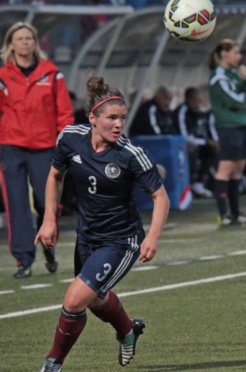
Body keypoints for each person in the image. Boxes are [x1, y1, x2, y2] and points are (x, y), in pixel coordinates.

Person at [37, 75, 170, 371]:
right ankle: (127, 331)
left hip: (121, 241)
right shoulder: (69, 138)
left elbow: (161, 198)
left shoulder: (131, 155)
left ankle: (53, 363)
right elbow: (55, 176)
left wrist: (152, 238)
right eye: (112, 118)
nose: (118, 125)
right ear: (92, 118)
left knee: (74, 301)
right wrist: (49, 219)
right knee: (96, 301)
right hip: (87, 238)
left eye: (122, 118)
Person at [0, 22, 74, 279]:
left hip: (45, 148)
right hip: (11, 147)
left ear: (35, 43)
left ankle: (48, 246)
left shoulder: (52, 74)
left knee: (47, 203)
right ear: (11, 44)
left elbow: (64, 113)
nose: (25, 42)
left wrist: (66, 144)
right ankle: (23, 260)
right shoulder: (2, 76)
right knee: (17, 203)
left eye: (29, 38)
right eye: (19, 38)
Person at [208, 38, 246, 226]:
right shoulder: (218, 77)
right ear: (224, 54)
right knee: (225, 170)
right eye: (236, 52)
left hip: (242, 124)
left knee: (238, 171)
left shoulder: (234, 74)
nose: (240, 56)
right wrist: (245, 97)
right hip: (229, 126)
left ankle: (236, 213)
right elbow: (234, 101)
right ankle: (223, 213)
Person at [174, 86, 217, 198]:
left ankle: (199, 183)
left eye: (200, 101)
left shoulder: (203, 113)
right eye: (194, 101)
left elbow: (207, 133)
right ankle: (187, 185)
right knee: (191, 151)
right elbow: (183, 136)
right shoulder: (181, 112)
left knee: (213, 150)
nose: (197, 104)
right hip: (181, 147)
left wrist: (213, 142)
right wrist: (206, 142)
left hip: (199, 145)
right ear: (187, 100)